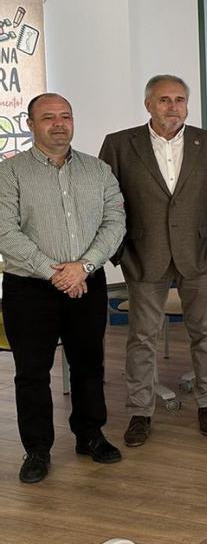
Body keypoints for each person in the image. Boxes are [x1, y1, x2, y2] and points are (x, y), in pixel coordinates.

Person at [99, 75, 207, 445]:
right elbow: (104, 203)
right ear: (148, 104)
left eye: (180, 99)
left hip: (200, 255)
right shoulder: (118, 145)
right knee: (141, 339)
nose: (173, 107)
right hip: (144, 257)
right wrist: (119, 252)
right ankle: (139, 412)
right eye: (164, 99)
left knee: (205, 334)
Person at [0, 93, 126, 483]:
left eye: (65, 116)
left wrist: (83, 267)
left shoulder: (98, 170)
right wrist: (55, 272)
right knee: (32, 372)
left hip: (87, 282)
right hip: (29, 288)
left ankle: (90, 435)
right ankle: (36, 450)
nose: (59, 123)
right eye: (49, 117)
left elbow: (115, 222)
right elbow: (5, 230)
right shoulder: (11, 173)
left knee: (90, 365)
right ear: (31, 123)